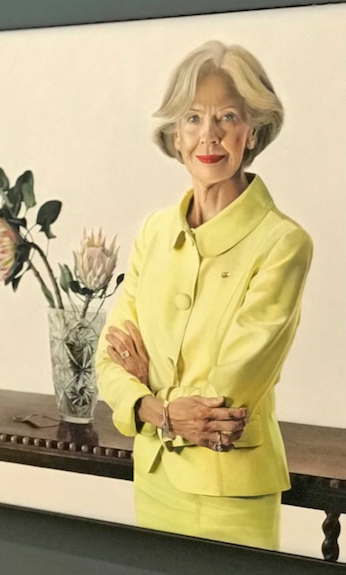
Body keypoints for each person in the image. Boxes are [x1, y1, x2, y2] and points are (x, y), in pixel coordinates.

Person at [95, 40, 312, 551]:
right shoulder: (153, 231)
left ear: (252, 130)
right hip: (154, 481)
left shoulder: (283, 244)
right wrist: (163, 411)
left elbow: (228, 394)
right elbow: (109, 360)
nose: (208, 135)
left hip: (231, 493)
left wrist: (148, 394)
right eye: (193, 118)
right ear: (174, 135)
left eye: (227, 116)